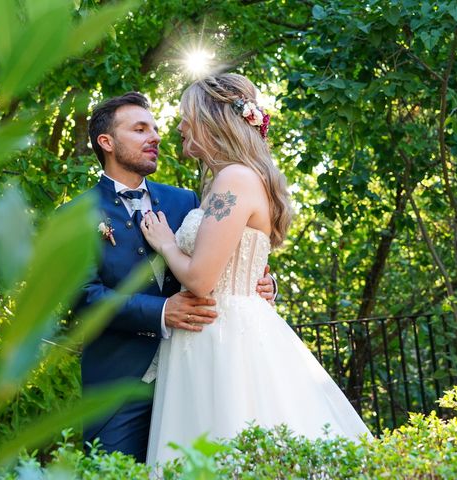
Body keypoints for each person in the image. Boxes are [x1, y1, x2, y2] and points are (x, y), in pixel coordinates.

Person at [140, 74, 371, 466]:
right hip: (211, 329)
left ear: (210, 120)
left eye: (185, 116)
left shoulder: (235, 179)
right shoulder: (225, 180)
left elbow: (199, 279)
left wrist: (163, 242)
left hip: (223, 336)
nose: (178, 126)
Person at [72, 92, 277, 462]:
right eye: (139, 129)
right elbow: (83, 296)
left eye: (154, 127)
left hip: (197, 369)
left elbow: (222, 251)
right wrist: (162, 311)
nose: (155, 136)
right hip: (121, 384)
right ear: (107, 142)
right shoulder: (75, 215)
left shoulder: (186, 199)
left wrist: (261, 281)